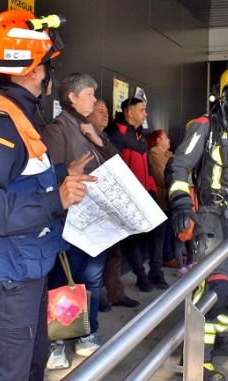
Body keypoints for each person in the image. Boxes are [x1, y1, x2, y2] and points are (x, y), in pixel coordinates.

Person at [0, 10, 94, 380]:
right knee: (10, 374)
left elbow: (18, 180)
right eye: (47, 64)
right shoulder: (0, 125)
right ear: (33, 71)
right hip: (9, 276)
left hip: (25, 267)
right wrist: (54, 199)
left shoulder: (20, 118)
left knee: (31, 366)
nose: (50, 73)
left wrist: (64, 175)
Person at [168, 64, 228, 381]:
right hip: (211, 217)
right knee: (215, 290)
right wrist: (182, 203)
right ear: (223, 94)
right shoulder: (203, 126)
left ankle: (218, 338)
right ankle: (197, 355)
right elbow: (179, 167)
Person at [41, 72, 117, 369]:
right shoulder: (57, 129)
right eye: (88, 94)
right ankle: (57, 341)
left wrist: (97, 138)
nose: (94, 100)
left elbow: (115, 162)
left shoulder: (91, 128)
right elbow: (51, 175)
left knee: (92, 279)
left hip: (98, 218)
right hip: (71, 219)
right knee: (64, 280)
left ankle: (88, 333)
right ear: (71, 97)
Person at [106, 97, 169, 292]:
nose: (145, 113)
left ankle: (155, 271)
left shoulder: (140, 136)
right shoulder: (115, 134)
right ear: (130, 112)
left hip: (144, 194)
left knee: (160, 227)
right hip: (126, 198)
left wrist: (150, 188)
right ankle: (141, 276)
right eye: (142, 110)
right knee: (131, 238)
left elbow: (147, 170)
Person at [89, 100, 140, 309]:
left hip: (112, 201)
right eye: (100, 111)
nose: (105, 114)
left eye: (106, 111)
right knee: (95, 256)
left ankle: (116, 293)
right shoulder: (81, 136)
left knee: (114, 251)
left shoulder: (107, 137)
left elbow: (117, 162)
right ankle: (98, 296)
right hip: (92, 203)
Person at [148, 129, 189, 276]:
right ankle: (168, 257)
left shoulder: (168, 155)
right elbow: (161, 177)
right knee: (163, 231)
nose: (169, 141)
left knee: (172, 229)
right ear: (158, 140)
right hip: (161, 198)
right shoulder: (154, 154)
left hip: (170, 198)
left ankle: (172, 255)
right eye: (166, 138)